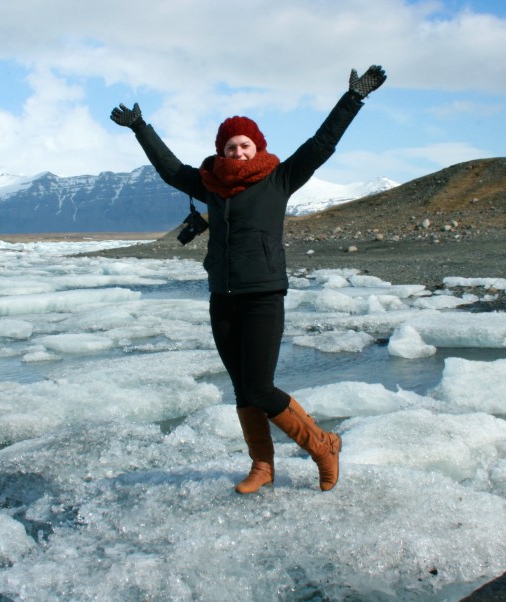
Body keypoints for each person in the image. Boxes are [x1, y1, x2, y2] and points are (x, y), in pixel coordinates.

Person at [110, 65, 387, 492]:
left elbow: (321, 144)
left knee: (260, 385)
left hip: (263, 297)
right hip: (222, 297)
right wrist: (140, 128)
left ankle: (322, 445)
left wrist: (352, 99)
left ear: (257, 147)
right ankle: (262, 465)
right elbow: (170, 170)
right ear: (221, 152)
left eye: (245, 145)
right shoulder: (211, 186)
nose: (238, 153)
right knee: (242, 387)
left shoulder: (280, 179)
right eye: (230, 147)